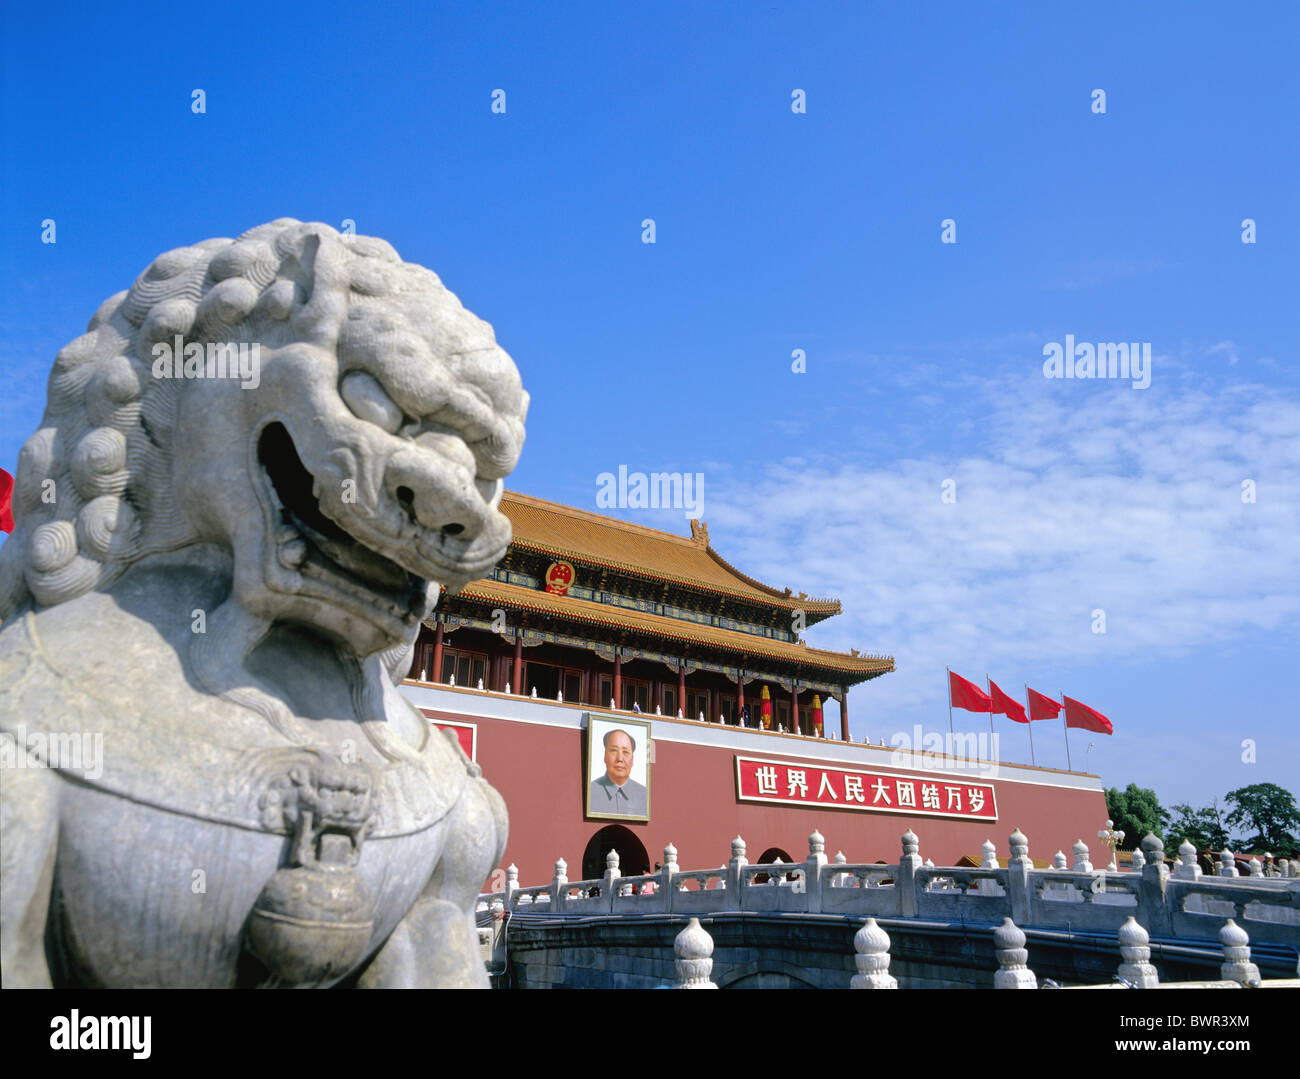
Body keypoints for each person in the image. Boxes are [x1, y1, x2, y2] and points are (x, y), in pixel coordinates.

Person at [588, 727, 648, 816]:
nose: (619, 759)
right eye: (614, 750)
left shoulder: (644, 795)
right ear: (605, 756)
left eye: (625, 752)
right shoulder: (590, 792)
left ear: (632, 760)